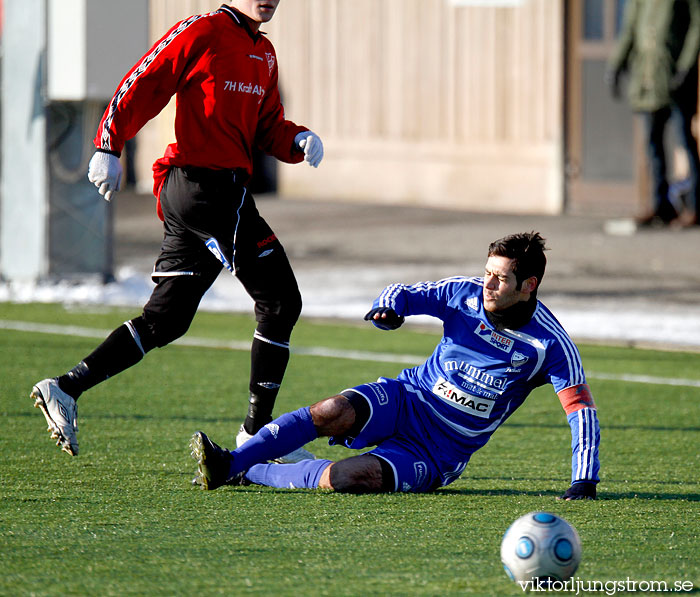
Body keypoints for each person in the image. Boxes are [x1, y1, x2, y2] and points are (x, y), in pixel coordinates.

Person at [30, 0, 322, 461]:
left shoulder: (264, 53)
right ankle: (257, 435)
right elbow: (145, 80)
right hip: (202, 190)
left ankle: (66, 387)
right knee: (281, 301)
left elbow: (267, 128)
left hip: (214, 196)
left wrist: (297, 139)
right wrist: (109, 142)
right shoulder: (202, 30)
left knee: (166, 321)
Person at [190, 232, 601, 499]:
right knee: (331, 410)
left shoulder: (550, 345)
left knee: (351, 479)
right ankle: (230, 462)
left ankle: (258, 472)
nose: (488, 284)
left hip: (440, 450)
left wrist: (583, 480)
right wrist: (389, 307)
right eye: (487, 273)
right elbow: (403, 291)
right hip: (409, 398)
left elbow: (581, 412)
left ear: (529, 285)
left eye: (501, 279)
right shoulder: (464, 293)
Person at [606, 0, 700, 227]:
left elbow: (697, 25)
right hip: (647, 76)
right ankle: (660, 206)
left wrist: (686, 65)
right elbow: (630, 27)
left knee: (684, 140)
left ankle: (695, 207)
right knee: (652, 143)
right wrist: (616, 63)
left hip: (674, 73)